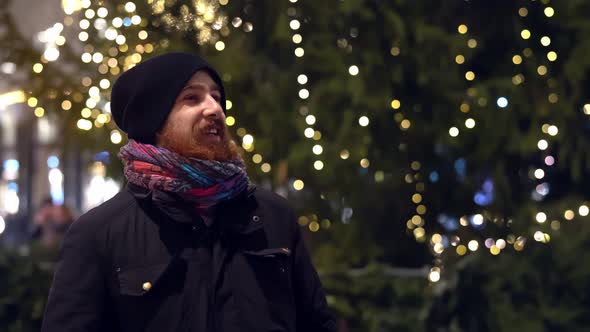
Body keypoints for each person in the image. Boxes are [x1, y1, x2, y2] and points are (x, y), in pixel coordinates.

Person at [41, 52, 336, 332]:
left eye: (217, 97)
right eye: (192, 98)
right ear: (153, 121)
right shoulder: (99, 233)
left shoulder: (272, 216)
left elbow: (317, 324)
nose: (214, 108)